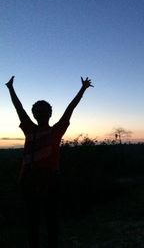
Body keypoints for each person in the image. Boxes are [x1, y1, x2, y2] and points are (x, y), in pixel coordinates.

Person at [5, 76, 93, 248]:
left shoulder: (56, 130)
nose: (41, 113)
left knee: (50, 219)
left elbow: (70, 108)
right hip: (29, 179)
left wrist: (82, 90)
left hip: (50, 179)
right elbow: (18, 107)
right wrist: (10, 89)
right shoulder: (29, 128)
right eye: (38, 110)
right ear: (34, 114)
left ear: (50, 113)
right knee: (33, 220)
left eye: (43, 110)